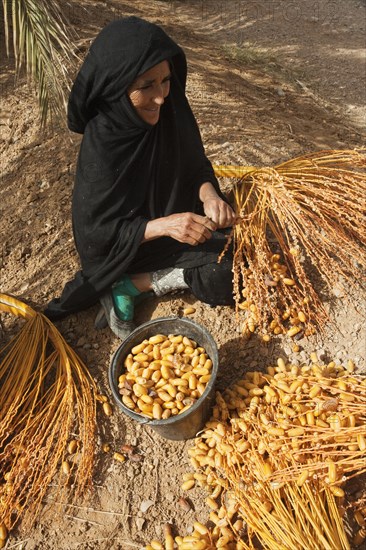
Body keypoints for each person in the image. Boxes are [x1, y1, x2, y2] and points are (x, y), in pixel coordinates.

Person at [45, 16, 236, 339]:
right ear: (118, 88)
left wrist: (209, 196)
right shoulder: (104, 142)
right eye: (146, 86)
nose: (161, 96)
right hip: (131, 245)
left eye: (166, 80)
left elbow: (195, 166)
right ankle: (135, 283)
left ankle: (158, 276)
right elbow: (97, 235)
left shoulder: (171, 106)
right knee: (225, 277)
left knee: (243, 259)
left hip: (182, 223)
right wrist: (167, 225)